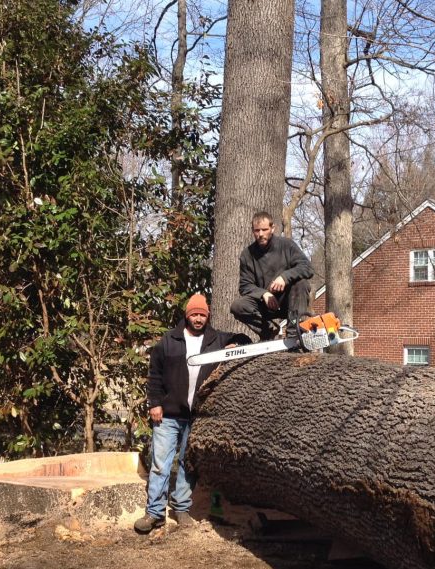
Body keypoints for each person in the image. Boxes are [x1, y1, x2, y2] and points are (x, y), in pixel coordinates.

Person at [135, 293, 250, 534]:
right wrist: (155, 403)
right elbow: (154, 375)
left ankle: (181, 507)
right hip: (168, 413)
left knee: (189, 465)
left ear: (207, 317)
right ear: (187, 316)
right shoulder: (169, 341)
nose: (198, 319)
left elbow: (244, 339)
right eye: (194, 315)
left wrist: (236, 345)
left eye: (202, 315)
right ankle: (155, 513)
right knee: (160, 464)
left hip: (198, 416)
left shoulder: (216, 339)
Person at [230, 211, 315, 341]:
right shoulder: (247, 255)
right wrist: (263, 294)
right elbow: (245, 286)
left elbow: (307, 267)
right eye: (257, 230)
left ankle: (293, 333)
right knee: (238, 306)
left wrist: (285, 277)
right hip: (265, 304)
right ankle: (267, 332)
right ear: (252, 231)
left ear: (273, 228)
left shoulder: (287, 245)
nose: (261, 234)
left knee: (301, 283)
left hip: (290, 302)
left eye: (264, 229)